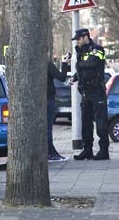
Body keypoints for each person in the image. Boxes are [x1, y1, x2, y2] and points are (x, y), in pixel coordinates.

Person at [70, 28, 109, 161]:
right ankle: (87, 150)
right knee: (86, 123)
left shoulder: (98, 49)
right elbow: (82, 70)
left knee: (101, 122)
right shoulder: (82, 52)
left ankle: (104, 151)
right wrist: (74, 78)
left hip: (97, 91)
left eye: (79, 39)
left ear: (85, 37)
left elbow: (91, 64)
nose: (78, 42)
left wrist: (78, 63)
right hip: (85, 92)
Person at [47, 53, 70, 162]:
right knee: (48, 128)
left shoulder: (33, 65)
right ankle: (50, 153)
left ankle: (50, 152)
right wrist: (64, 63)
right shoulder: (47, 65)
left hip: (39, 100)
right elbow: (62, 77)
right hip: (48, 99)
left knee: (45, 128)